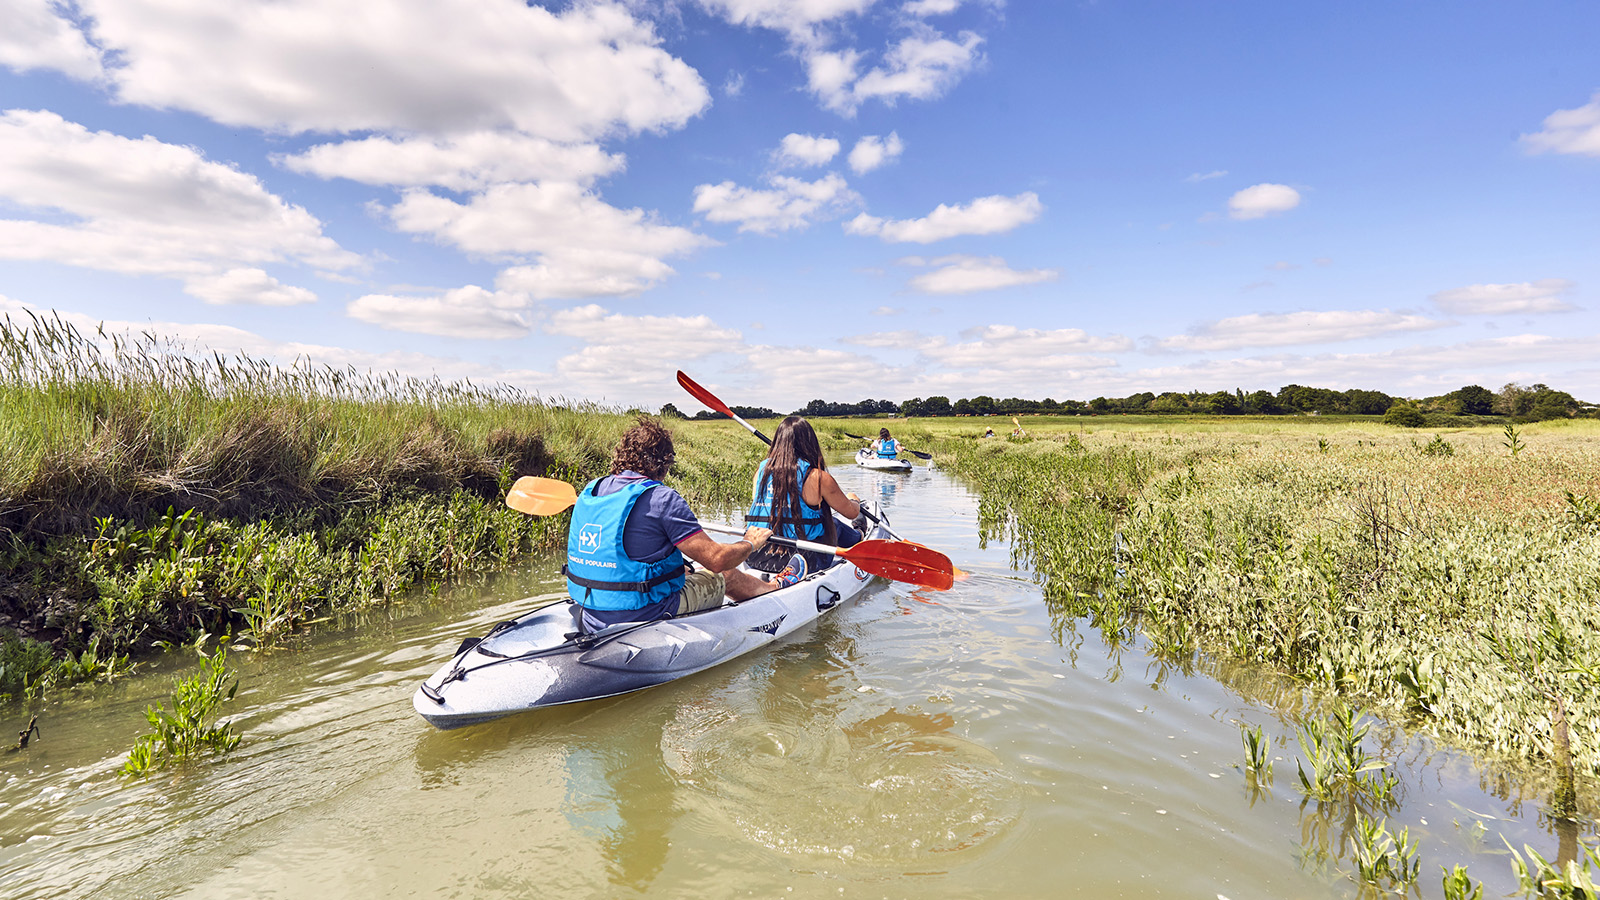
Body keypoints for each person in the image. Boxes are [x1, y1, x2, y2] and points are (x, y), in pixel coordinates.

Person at [564, 417, 805, 634]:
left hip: (591, 608)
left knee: (687, 568)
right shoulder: (662, 498)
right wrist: (750, 543)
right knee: (726, 574)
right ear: (664, 463)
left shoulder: (592, 490)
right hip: (644, 612)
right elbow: (717, 559)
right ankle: (775, 586)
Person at [747, 416, 864, 572]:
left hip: (756, 556)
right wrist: (853, 500)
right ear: (810, 443)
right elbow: (851, 513)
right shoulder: (817, 477)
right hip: (800, 561)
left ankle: (858, 537)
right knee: (835, 524)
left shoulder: (760, 471)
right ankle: (860, 537)